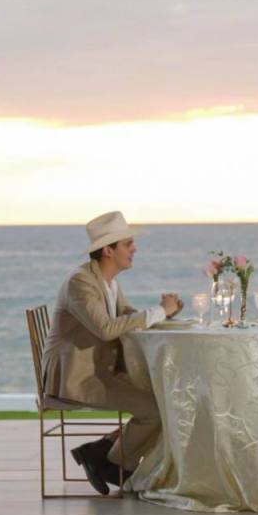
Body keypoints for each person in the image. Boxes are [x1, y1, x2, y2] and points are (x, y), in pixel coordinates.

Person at [42, 211, 183, 496]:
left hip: (100, 371)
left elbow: (125, 314)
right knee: (155, 410)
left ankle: (101, 453)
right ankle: (110, 461)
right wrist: (158, 312)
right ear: (108, 250)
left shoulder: (107, 281)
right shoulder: (80, 282)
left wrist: (165, 314)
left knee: (164, 399)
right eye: (128, 244)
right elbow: (107, 329)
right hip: (76, 378)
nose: (135, 249)